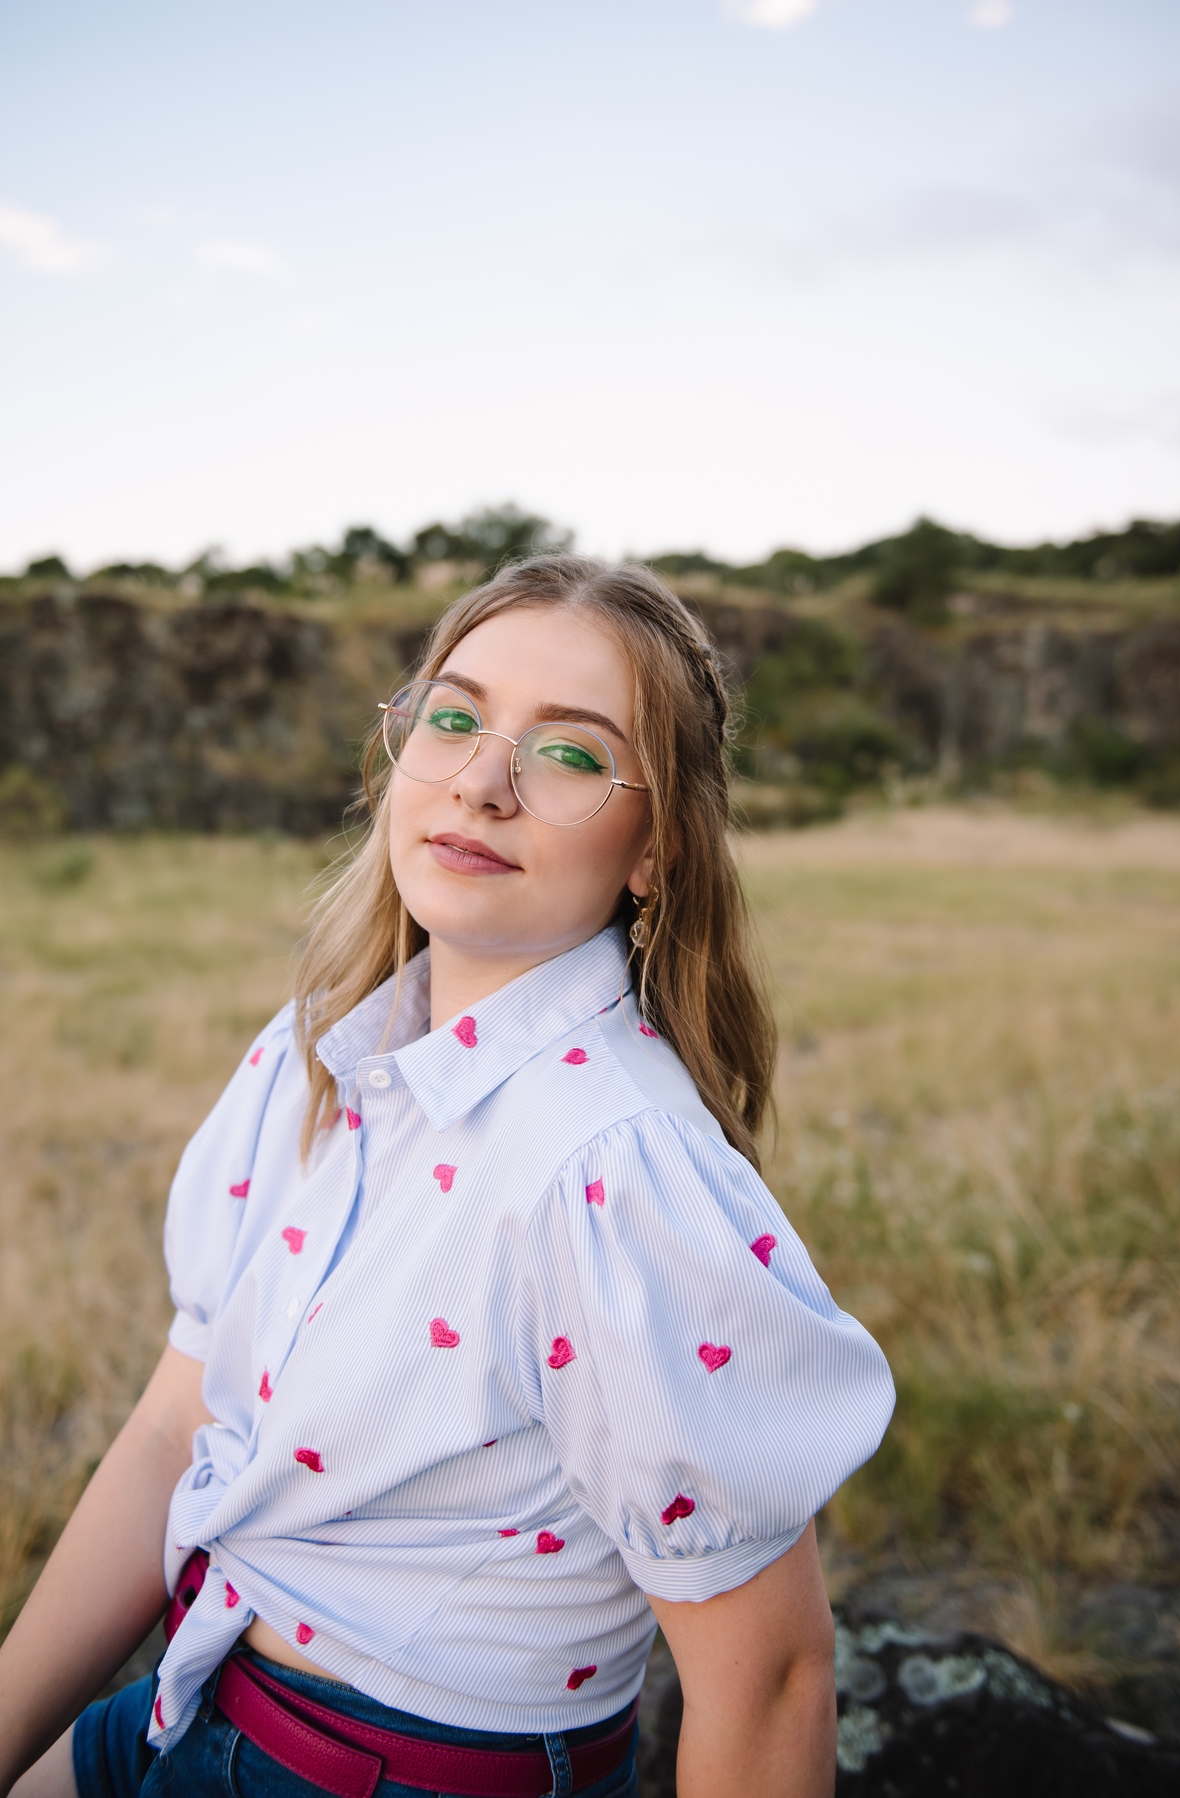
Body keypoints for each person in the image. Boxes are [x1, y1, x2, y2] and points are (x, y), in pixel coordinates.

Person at [0, 555, 894, 1798]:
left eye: (570, 754)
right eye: (455, 717)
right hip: (193, 1695)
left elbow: (774, 1678)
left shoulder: (611, 1167)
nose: (483, 781)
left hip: (399, 1771)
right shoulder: (311, 1052)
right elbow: (169, 1431)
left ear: (655, 848)